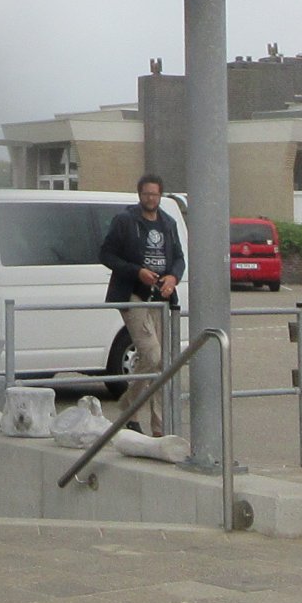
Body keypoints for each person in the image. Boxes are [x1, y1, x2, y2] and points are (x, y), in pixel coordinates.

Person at [99, 174, 185, 433]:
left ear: (161, 196)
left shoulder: (168, 223)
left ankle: (157, 425)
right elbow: (106, 254)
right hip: (134, 295)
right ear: (139, 195)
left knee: (161, 363)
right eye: (147, 194)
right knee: (154, 356)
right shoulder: (125, 221)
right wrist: (137, 271)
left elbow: (179, 258)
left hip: (161, 297)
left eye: (155, 194)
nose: (151, 198)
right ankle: (129, 407)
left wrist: (173, 277)